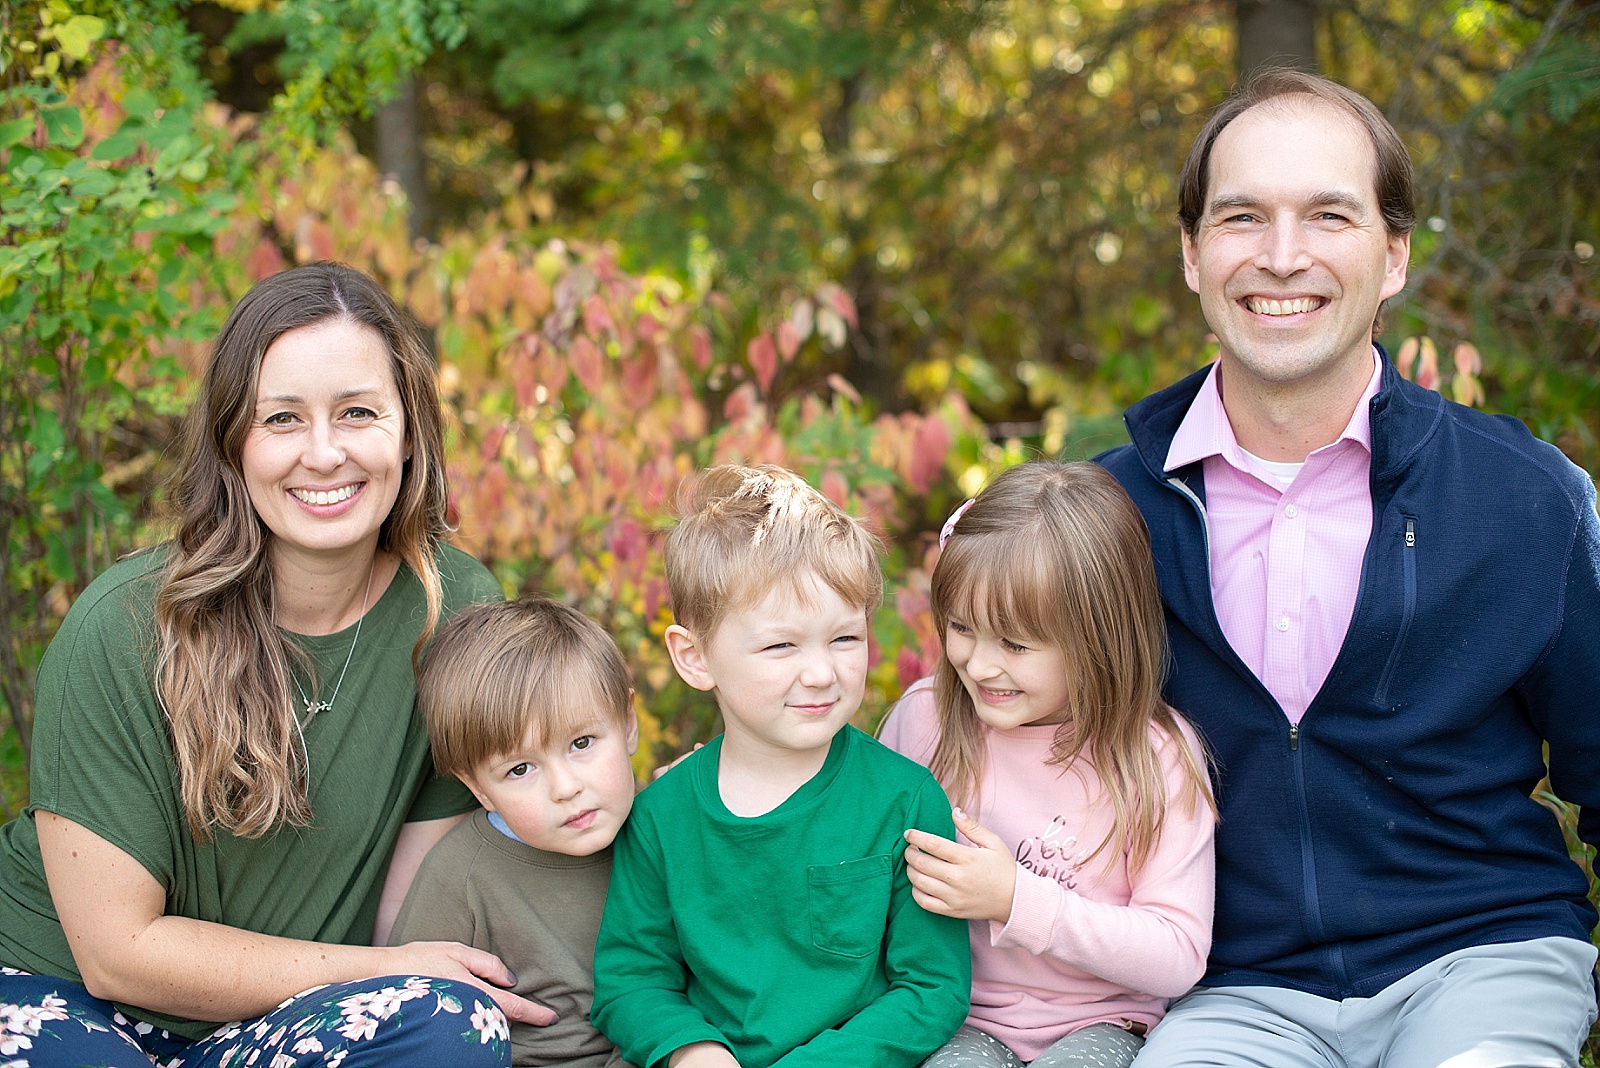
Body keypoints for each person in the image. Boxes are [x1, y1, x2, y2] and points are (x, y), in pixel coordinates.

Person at [1097, 68, 1600, 1066]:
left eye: (1328, 215)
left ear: (1394, 254)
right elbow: (1006, 749)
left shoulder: (1523, 497)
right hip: (1231, 989)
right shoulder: (1106, 516)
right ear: (1193, 254)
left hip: (1481, 959)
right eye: (1242, 217)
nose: (1282, 256)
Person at [0, 262, 552, 1068]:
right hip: (63, 1002)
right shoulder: (122, 626)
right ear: (234, 442)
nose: (323, 454)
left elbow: (413, 918)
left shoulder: (454, 611)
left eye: (357, 412)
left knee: (451, 1020)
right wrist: (372, 971)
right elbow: (117, 955)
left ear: (408, 432)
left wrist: (664, 819)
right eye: (282, 419)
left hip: (281, 1022)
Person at [591, 463, 971, 1068]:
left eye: (844, 639)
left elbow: (931, 988)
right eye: (780, 645)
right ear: (695, 658)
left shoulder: (905, 800)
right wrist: (692, 1051)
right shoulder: (661, 818)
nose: (821, 672)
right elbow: (633, 980)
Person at [879, 460, 1216, 1068]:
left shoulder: (1153, 756)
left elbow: (1177, 953)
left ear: (1098, 639)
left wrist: (1015, 898)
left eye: (1015, 644)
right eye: (961, 628)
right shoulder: (924, 722)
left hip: (1101, 1021)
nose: (980, 664)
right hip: (956, 1015)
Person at [388, 596, 640, 1068]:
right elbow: (406, 1008)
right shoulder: (460, 874)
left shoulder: (665, 834)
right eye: (520, 769)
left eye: (581, 743)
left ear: (628, 723)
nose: (565, 788)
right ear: (478, 788)